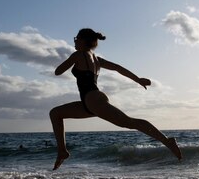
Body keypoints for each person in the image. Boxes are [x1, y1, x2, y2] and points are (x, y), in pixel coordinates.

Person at [49, 28, 182, 170]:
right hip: (90, 102)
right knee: (55, 113)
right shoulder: (96, 59)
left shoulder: (78, 54)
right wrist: (137, 79)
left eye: (76, 39)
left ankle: (167, 141)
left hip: (93, 100)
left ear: (82, 40)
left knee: (129, 122)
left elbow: (58, 71)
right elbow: (117, 68)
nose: (74, 41)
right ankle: (62, 151)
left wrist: (71, 59)